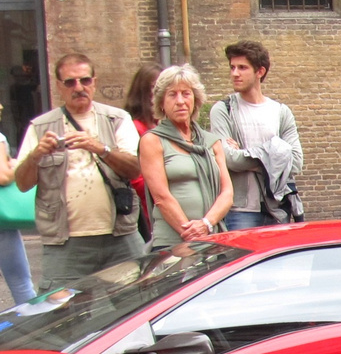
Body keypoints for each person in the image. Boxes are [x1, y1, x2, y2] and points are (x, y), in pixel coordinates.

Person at [12, 53, 144, 287]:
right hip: (65, 242)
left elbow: (135, 169)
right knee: (63, 314)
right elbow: (22, 184)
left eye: (85, 80)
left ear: (94, 81)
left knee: (136, 303)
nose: (79, 87)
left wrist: (100, 148)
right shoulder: (40, 126)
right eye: (70, 82)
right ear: (59, 87)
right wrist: (36, 156)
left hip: (119, 236)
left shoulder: (116, 119)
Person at [207, 40, 303, 230]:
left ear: (260, 71)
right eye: (232, 67)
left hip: (277, 207)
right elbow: (229, 159)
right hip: (240, 210)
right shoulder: (223, 110)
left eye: (242, 68)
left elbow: (297, 161)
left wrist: (246, 153)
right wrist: (275, 156)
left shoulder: (281, 112)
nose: (235, 73)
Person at [138, 64, 234, 249]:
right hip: (172, 242)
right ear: (161, 103)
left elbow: (227, 193)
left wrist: (206, 224)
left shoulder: (211, 142)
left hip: (211, 236)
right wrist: (191, 233)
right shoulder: (152, 140)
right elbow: (161, 197)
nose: (180, 101)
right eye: (172, 94)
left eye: (186, 93)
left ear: (195, 100)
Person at [123, 62, 161, 241]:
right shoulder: (135, 127)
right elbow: (138, 180)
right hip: (151, 211)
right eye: (155, 88)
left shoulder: (163, 125)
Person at [0, 120, 35, 303]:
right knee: (20, 283)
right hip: (2, 224)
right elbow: (3, 176)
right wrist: (16, 166)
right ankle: (36, 327)